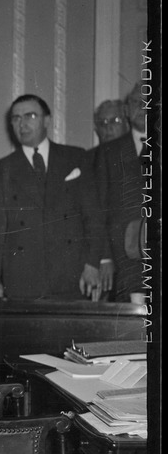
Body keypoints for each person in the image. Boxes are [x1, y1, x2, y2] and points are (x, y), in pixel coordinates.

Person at [0, 94, 109, 302]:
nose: (22, 123)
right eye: (15, 118)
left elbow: (93, 217)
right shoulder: (0, 170)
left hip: (72, 275)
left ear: (47, 121)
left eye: (30, 115)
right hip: (22, 280)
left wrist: (92, 263)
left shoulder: (75, 158)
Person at [93, 83, 146, 302]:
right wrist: (105, 257)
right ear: (126, 110)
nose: (143, 108)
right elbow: (100, 209)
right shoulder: (109, 152)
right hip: (125, 259)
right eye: (136, 102)